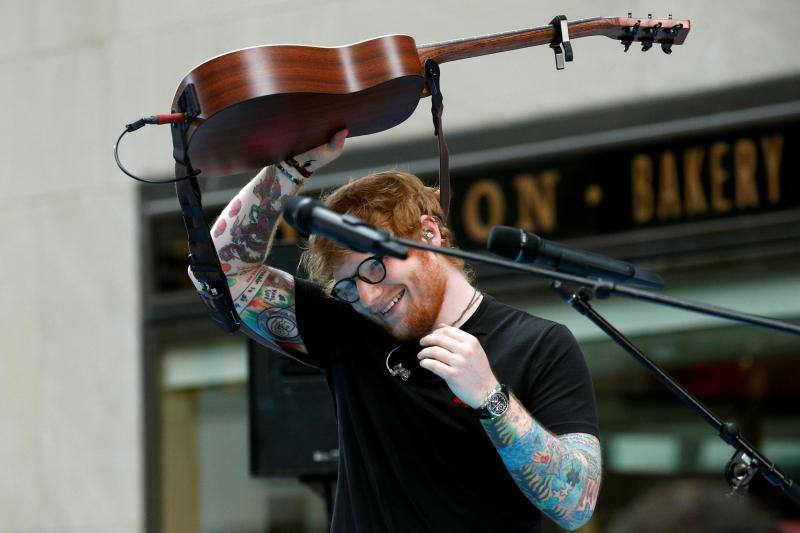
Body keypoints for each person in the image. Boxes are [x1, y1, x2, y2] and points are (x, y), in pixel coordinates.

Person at [194, 129, 602, 532]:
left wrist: (490, 398)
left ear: (429, 233)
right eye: (349, 286)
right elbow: (217, 271)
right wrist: (291, 167)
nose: (368, 298)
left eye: (375, 266)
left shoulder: (540, 345)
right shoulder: (350, 326)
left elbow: (576, 505)